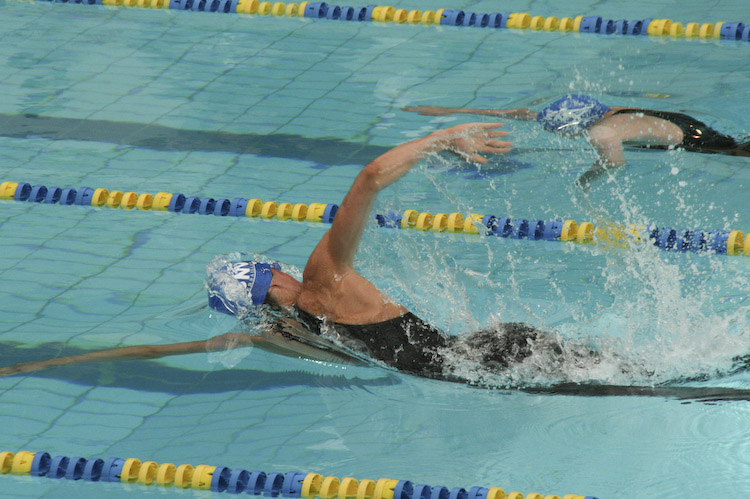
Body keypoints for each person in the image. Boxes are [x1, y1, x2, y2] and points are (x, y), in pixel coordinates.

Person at [1, 123, 563, 384]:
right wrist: (439, 139)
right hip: (494, 354)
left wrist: (47, 364)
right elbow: (369, 177)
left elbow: (155, 349)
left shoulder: (277, 335)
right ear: (271, 275)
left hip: (465, 377)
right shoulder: (323, 281)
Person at [403, 95, 750, 188]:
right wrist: (454, 110)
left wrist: (583, 183)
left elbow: (614, 163)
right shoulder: (604, 112)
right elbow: (526, 113)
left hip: (690, 140)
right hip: (680, 121)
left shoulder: (601, 133)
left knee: (738, 151)